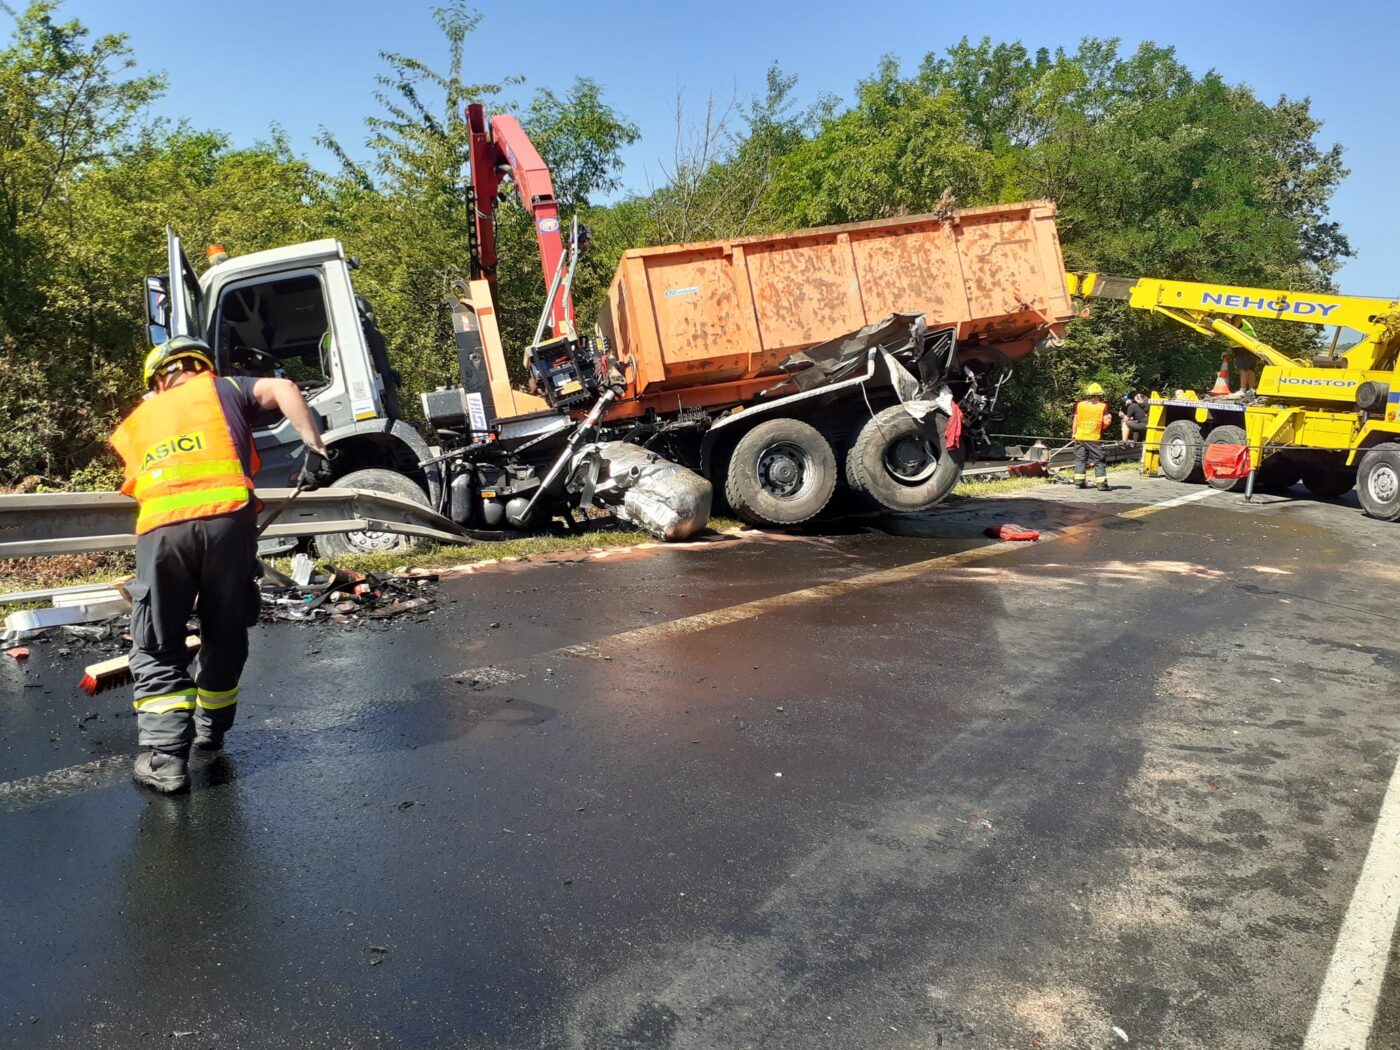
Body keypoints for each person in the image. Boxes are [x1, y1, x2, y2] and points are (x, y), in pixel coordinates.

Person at [109, 336, 334, 793]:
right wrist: (316, 448)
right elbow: (284, 388)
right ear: (200, 366)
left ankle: (166, 761)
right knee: (225, 628)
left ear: (157, 379)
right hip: (230, 524)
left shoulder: (137, 418)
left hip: (163, 529)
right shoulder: (226, 387)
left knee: (157, 639)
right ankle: (210, 732)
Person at [1071, 382, 1113, 491]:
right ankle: (1102, 485)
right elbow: (1106, 423)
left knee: (1080, 460)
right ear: (1099, 395)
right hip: (1094, 438)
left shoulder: (1080, 405)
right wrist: (1109, 418)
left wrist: (1074, 434)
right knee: (1099, 461)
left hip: (1080, 437)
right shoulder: (1102, 406)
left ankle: (1079, 483)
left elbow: (1075, 420)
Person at [1226, 315, 1260, 392]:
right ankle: (1252, 390)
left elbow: (1233, 328)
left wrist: (1227, 319)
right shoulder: (1241, 320)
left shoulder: (1237, 318)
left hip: (1244, 347)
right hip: (1250, 347)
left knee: (1243, 368)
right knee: (1250, 369)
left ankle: (1243, 390)